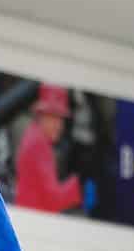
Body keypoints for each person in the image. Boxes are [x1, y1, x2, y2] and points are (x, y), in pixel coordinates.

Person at [13, 83, 84, 214]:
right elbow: (53, 201)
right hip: (33, 219)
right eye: (53, 118)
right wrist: (79, 185)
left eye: (60, 119)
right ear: (41, 116)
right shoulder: (38, 145)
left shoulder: (34, 135)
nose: (59, 126)